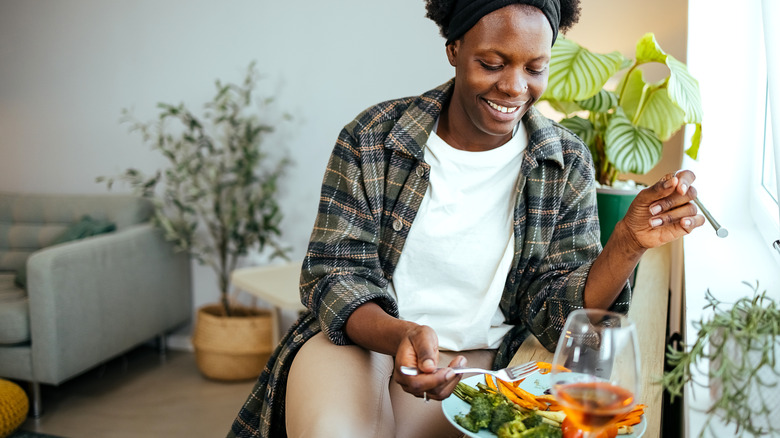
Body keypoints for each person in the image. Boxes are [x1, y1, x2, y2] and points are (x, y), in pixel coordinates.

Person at [228, 0, 704, 436]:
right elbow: (334, 275)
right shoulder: (372, 139)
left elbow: (560, 314)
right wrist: (402, 336)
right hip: (361, 345)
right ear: (454, 49)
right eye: (492, 64)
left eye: (535, 68)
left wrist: (628, 243)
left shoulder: (564, 161)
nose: (515, 87)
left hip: (476, 366)